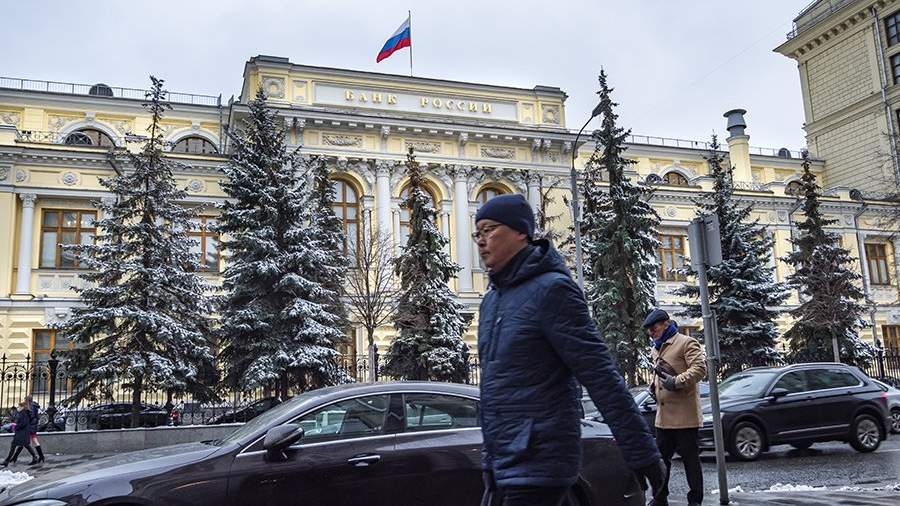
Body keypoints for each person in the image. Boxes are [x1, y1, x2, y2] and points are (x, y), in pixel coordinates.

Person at [474, 194, 666, 506]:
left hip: (540, 460)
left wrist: (641, 452)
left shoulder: (552, 290)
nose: (481, 241)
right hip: (503, 463)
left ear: (521, 232)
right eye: (477, 233)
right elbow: (498, 389)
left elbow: (599, 374)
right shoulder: (492, 301)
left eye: (489, 230)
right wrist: (490, 458)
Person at [643, 309, 707, 506]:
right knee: (661, 462)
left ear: (666, 324)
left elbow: (700, 369)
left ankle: (695, 501)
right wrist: (654, 387)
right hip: (663, 418)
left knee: (690, 461)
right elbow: (660, 374)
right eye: (648, 329)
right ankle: (660, 498)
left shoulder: (686, 342)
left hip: (684, 417)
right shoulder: (656, 348)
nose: (651, 332)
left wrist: (676, 381)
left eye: (654, 327)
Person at [0, 401, 38, 467]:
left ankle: (7, 461)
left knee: (14, 445)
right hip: (23, 433)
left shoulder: (24, 413)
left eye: (19, 406)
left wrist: (16, 426)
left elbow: (23, 423)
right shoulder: (24, 413)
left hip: (21, 433)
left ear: (23, 407)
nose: (18, 407)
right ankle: (34, 457)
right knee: (26, 445)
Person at [24, 396, 45, 463]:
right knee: (34, 441)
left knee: (26, 442)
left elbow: (31, 416)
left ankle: (37, 457)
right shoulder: (34, 406)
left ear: (28, 400)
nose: (24, 401)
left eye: (25, 400)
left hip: (30, 426)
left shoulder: (31, 406)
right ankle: (41, 456)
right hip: (33, 426)